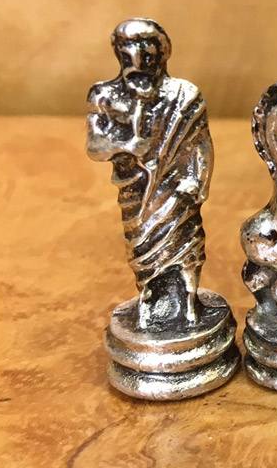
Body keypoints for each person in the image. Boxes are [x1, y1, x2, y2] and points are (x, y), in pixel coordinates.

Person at [86, 18, 213, 329]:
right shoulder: (104, 95)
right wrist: (129, 145)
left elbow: (200, 144)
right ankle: (149, 301)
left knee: (186, 244)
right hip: (136, 191)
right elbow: (95, 146)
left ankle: (189, 304)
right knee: (142, 245)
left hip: (177, 191)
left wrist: (197, 182)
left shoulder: (185, 95)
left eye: (147, 54)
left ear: (163, 53)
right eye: (128, 54)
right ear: (118, 54)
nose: (138, 63)